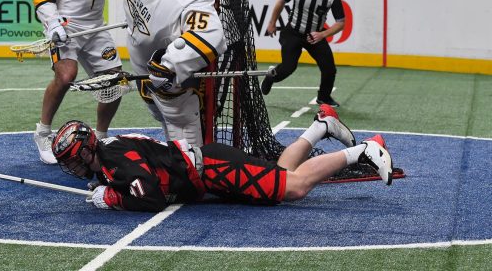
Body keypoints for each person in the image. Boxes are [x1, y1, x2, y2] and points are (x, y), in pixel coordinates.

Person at [51, 104, 393, 212]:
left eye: (73, 158)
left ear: (86, 148)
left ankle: (363, 150)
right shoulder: (108, 157)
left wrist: (113, 197)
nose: (72, 166)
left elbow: (151, 197)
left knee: (295, 187)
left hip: (214, 170)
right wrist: (108, 185)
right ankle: (321, 127)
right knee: (281, 174)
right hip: (211, 171)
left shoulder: (114, 156)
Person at [31, 0, 128, 164]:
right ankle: (43, 133)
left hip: (95, 27)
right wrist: (53, 23)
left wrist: (135, 11)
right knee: (66, 76)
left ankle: (102, 137)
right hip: (65, 25)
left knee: (114, 83)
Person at [122, 0, 226, 147]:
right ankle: (177, 154)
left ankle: (193, 163)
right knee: (159, 114)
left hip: (169, 69)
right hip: (139, 58)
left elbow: (210, 35)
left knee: (180, 118)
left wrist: (170, 64)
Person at [261, 0, 344, 107]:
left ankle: (324, 97)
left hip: (315, 36)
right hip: (292, 32)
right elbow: (281, 2)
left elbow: (341, 23)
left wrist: (322, 35)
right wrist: (272, 23)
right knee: (288, 67)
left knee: (329, 69)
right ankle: (270, 77)